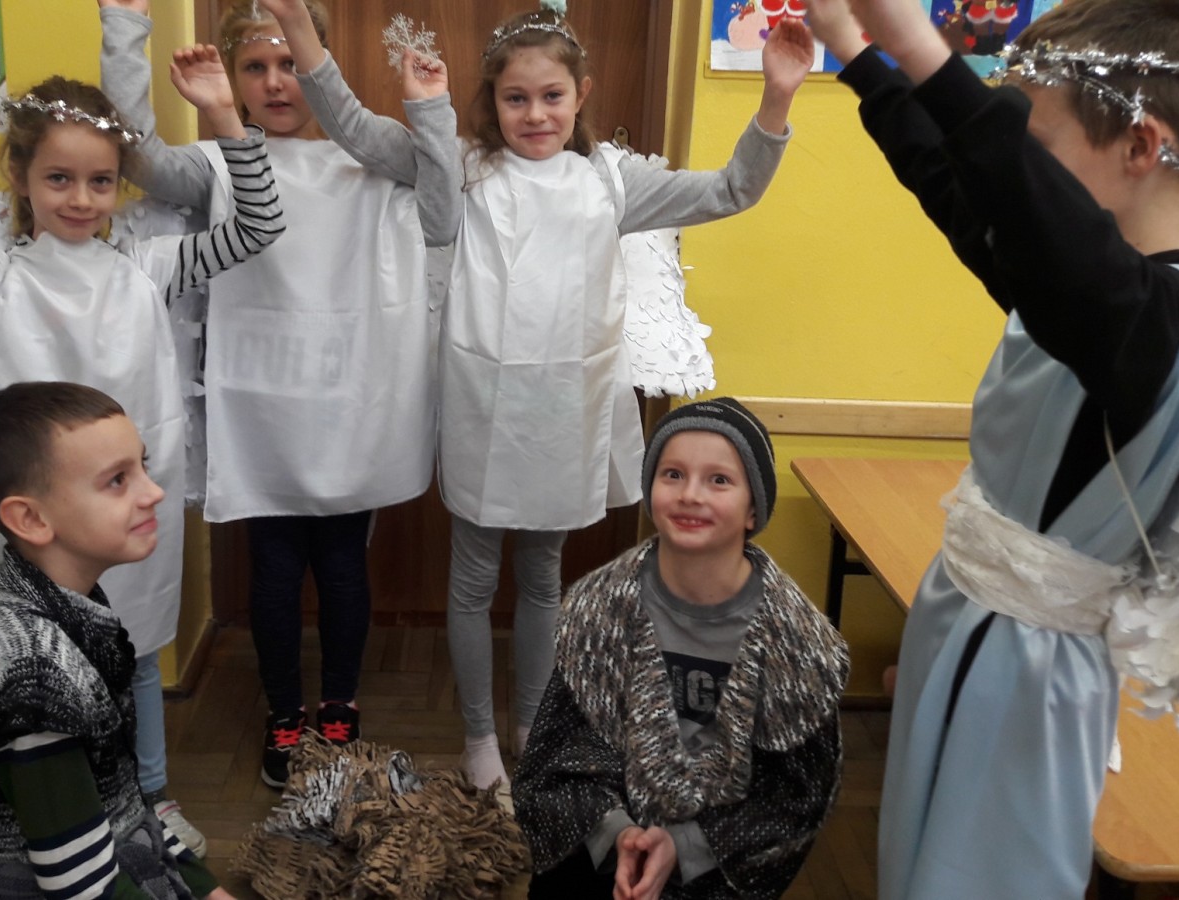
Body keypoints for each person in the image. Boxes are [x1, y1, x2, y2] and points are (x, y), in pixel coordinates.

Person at [800, 0, 1179, 896]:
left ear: (1140, 146)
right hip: (976, 636)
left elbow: (1016, 193)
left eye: (1035, 150)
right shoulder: (1075, 297)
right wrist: (853, 51)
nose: (1012, 179)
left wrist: (915, 42)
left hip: (1027, 680)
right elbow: (957, 185)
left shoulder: (1155, 320)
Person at [311, 2, 815, 789]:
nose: (536, 114)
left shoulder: (612, 178)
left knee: (543, 576)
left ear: (582, 93)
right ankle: (478, 734)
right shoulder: (463, 166)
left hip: (565, 413)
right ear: (492, 101)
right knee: (474, 577)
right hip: (483, 405)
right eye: (516, 98)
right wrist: (304, 37)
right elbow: (358, 133)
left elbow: (730, 189)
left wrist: (776, 96)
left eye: (552, 96)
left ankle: (531, 719)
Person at [0, 20, 285, 854]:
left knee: (134, 656)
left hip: (129, 509)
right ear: (21, 176)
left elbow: (257, 225)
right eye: (59, 179)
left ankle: (150, 799)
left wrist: (225, 114)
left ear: (119, 183)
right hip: (38, 517)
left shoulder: (150, 268)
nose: (81, 199)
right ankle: (74, 810)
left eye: (101, 181)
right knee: (44, 665)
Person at [97, 0, 457, 789]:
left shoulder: (368, 158)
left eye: (290, 63)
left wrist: (342, 62)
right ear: (231, 80)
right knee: (273, 568)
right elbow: (136, 158)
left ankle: (340, 703)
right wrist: (123, 29)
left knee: (344, 565)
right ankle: (285, 711)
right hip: (262, 405)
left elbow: (442, 193)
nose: (274, 82)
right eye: (255, 68)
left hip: (350, 399)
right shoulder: (217, 162)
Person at [513, 398, 849, 899]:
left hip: (720, 861)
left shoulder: (798, 644)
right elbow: (558, 758)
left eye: (719, 480)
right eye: (673, 474)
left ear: (753, 509)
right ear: (650, 490)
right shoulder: (599, 613)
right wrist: (620, 835)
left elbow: (795, 797)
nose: (691, 495)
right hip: (602, 851)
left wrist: (685, 845)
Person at [0, 381, 238, 899]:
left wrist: (206, 890)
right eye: (118, 480)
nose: (154, 492)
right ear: (31, 519)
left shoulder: (67, 610)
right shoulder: (33, 685)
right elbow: (86, 888)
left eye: (142, 466)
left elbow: (125, 804)